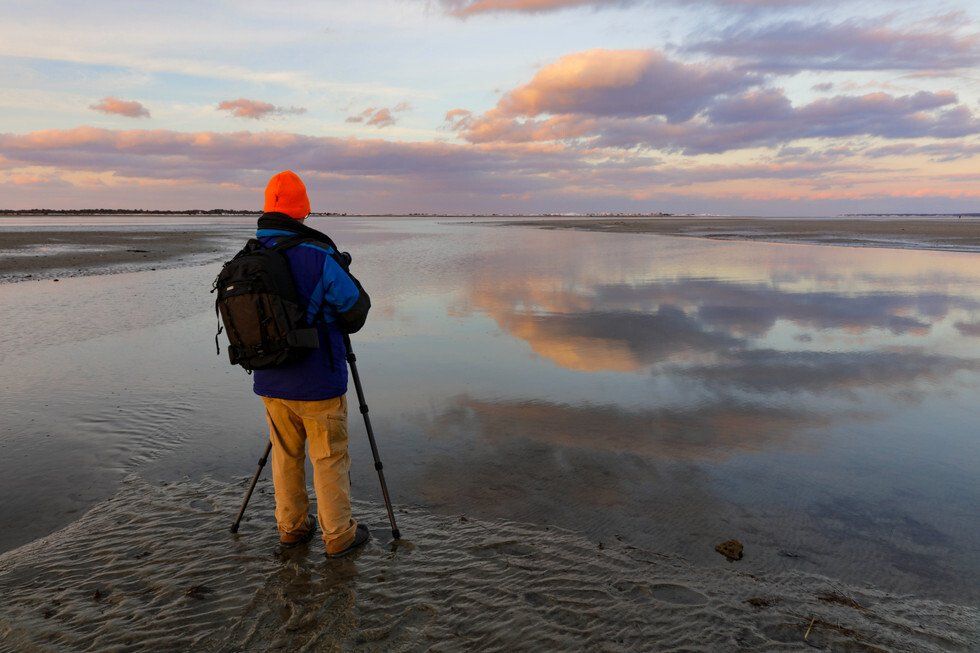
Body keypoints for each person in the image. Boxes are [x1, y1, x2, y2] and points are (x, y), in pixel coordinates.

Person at [252, 170, 371, 557]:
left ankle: (291, 529)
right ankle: (338, 536)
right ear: (303, 210)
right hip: (319, 381)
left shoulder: (251, 257)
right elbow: (355, 310)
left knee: (285, 456)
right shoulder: (318, 256)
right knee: (329, 457)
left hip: (270, 380)